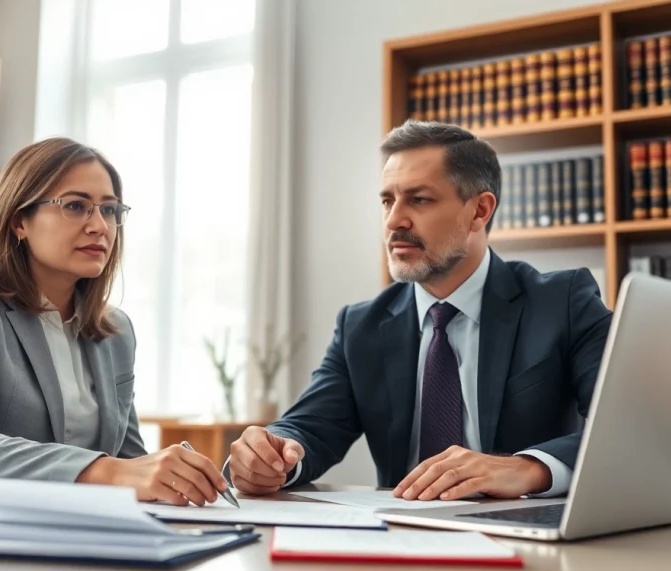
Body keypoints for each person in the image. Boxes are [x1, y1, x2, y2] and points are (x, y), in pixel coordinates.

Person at [227, 120, 612, 501]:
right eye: (387, 201)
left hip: (529, 540)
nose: (394, 220)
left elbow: (625, 430)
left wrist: (528, 468)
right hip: (402, 538)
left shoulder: (562, 302)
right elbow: (309, 427)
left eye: (420, 199)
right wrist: (271, 454)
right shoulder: (361, 325)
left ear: (479, 210)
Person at [0, 137, 227, 507]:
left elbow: (133, 462)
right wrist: (108, 472)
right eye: (76, 206)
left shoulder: (116, 332)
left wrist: (177, 480)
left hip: (83, 536)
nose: (100, 226)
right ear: (18, 221)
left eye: (109, 210)